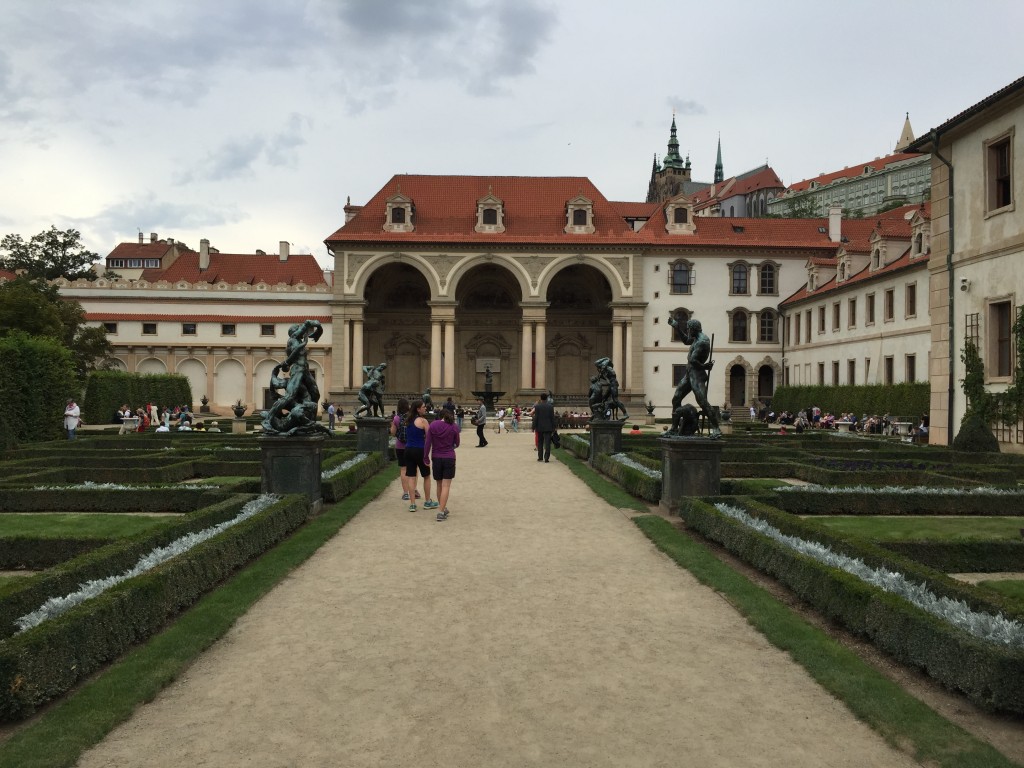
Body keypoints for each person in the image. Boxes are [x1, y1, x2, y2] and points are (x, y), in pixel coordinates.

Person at [665, 314, 721, 438]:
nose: (688, 331)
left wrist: (704, 367)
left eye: (689, 329)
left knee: (702, 402)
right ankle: (674, 428)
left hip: (697, 375)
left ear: (694, 329)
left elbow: (692, 360)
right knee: (676, 398)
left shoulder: (702, 341)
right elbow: (686, 341)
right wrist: (677, 327)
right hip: (690, 372)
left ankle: (716, 429)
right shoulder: (696, 338)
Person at [423, 406, 460, 521]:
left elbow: (428, 443)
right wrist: (450, 446)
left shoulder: (433, 425)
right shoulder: (454, 426)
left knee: (439, 484)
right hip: (449, 457)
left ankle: (442, 508)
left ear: (440, 416)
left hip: (436, 457)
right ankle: (440, 511)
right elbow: (457, 443)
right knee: (446, 485)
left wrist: (425, 457)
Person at [402, 399, 436, 512]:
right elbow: (429, 437)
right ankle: (427, 501)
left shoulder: (408, 420)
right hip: (420, 450)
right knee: (426, 476)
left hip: (408, 450)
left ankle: (412, 504)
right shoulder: (423, 421)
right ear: (418, 409)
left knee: (411, 477)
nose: (425, 408)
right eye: (423, 407)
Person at [390, 398, 419, 501]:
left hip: (400, 446)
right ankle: (414, 490)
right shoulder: (413, 417)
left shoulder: (397, 418)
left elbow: (392, 432)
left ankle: (406, 493)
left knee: (403, 469)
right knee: (414, 469)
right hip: (412, 446)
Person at [532, 392, 557, 462]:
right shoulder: (550, 407)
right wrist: (554, 427)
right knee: (547, 443)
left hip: (539, 427)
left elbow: (536, 418)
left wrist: (533, 426)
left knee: (540, 443)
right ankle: (546, 458)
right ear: (547, 398)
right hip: (548, 427)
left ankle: (540, 457)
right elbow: (552, 418)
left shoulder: (537, 407)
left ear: (541, 398)